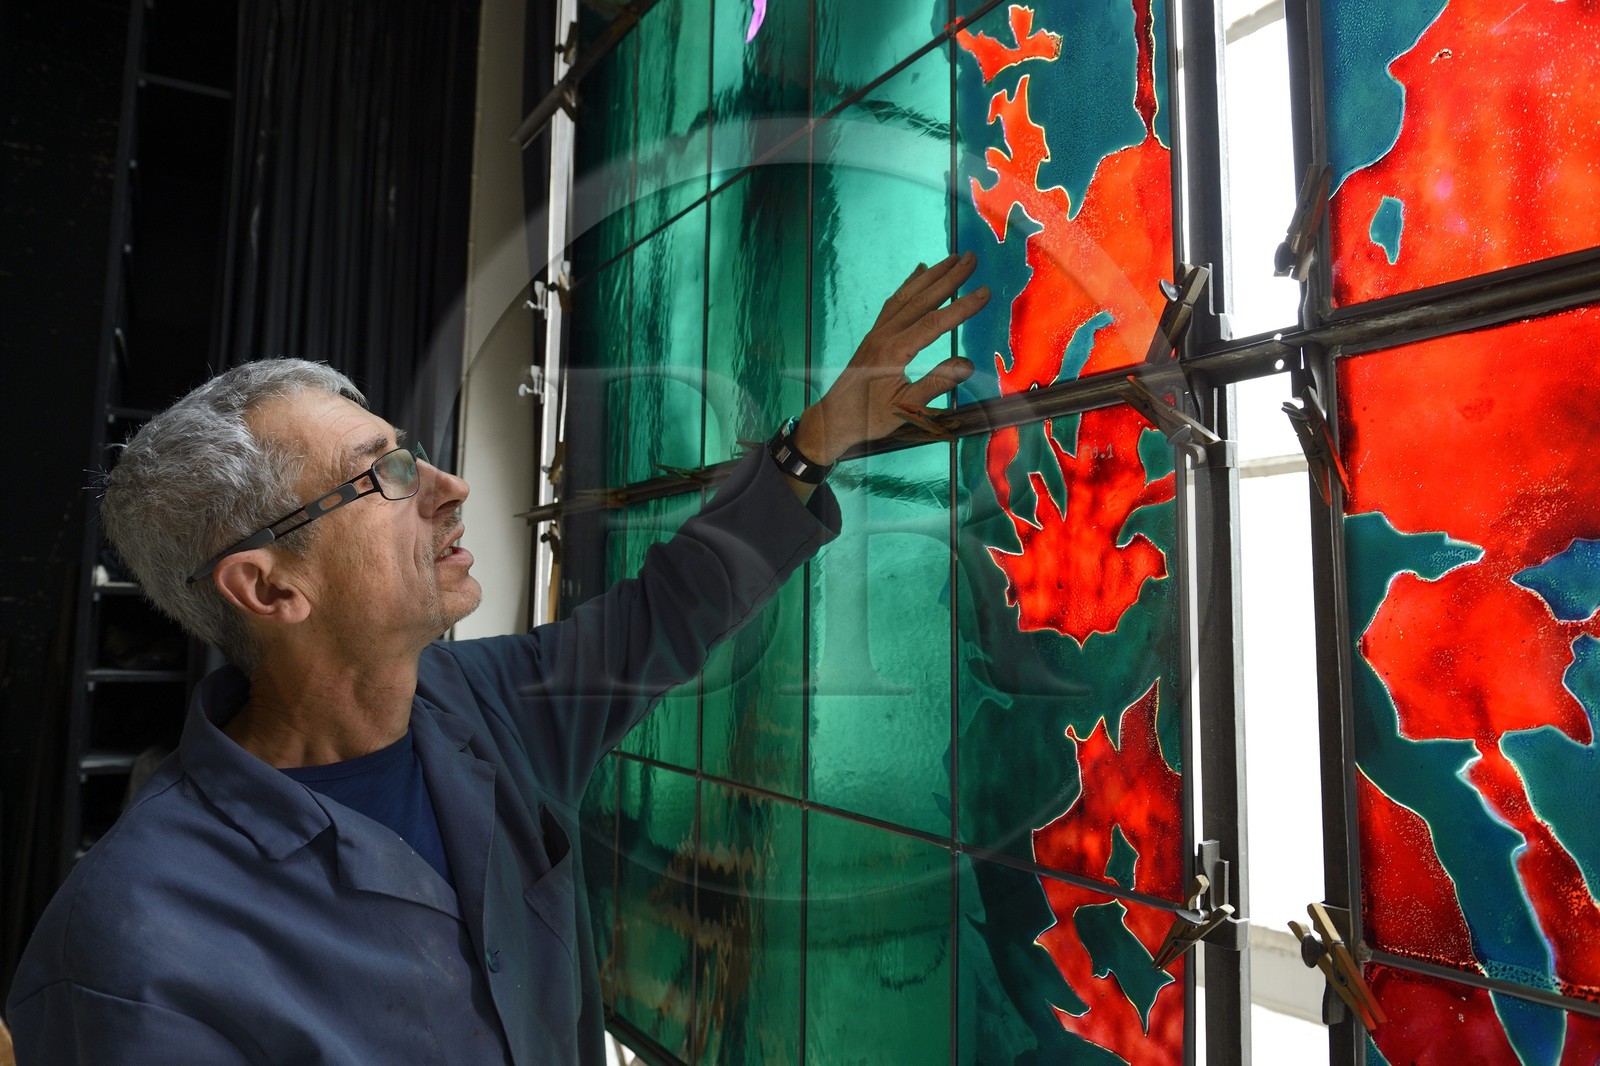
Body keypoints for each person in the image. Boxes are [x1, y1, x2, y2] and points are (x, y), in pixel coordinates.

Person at [4, 254, 986, 1063]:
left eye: (413, 450)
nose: (451, 486)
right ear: (269, 589)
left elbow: (668, 610)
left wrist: (818, 441)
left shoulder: (486, 707)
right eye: (382, 475)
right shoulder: (132, 947)